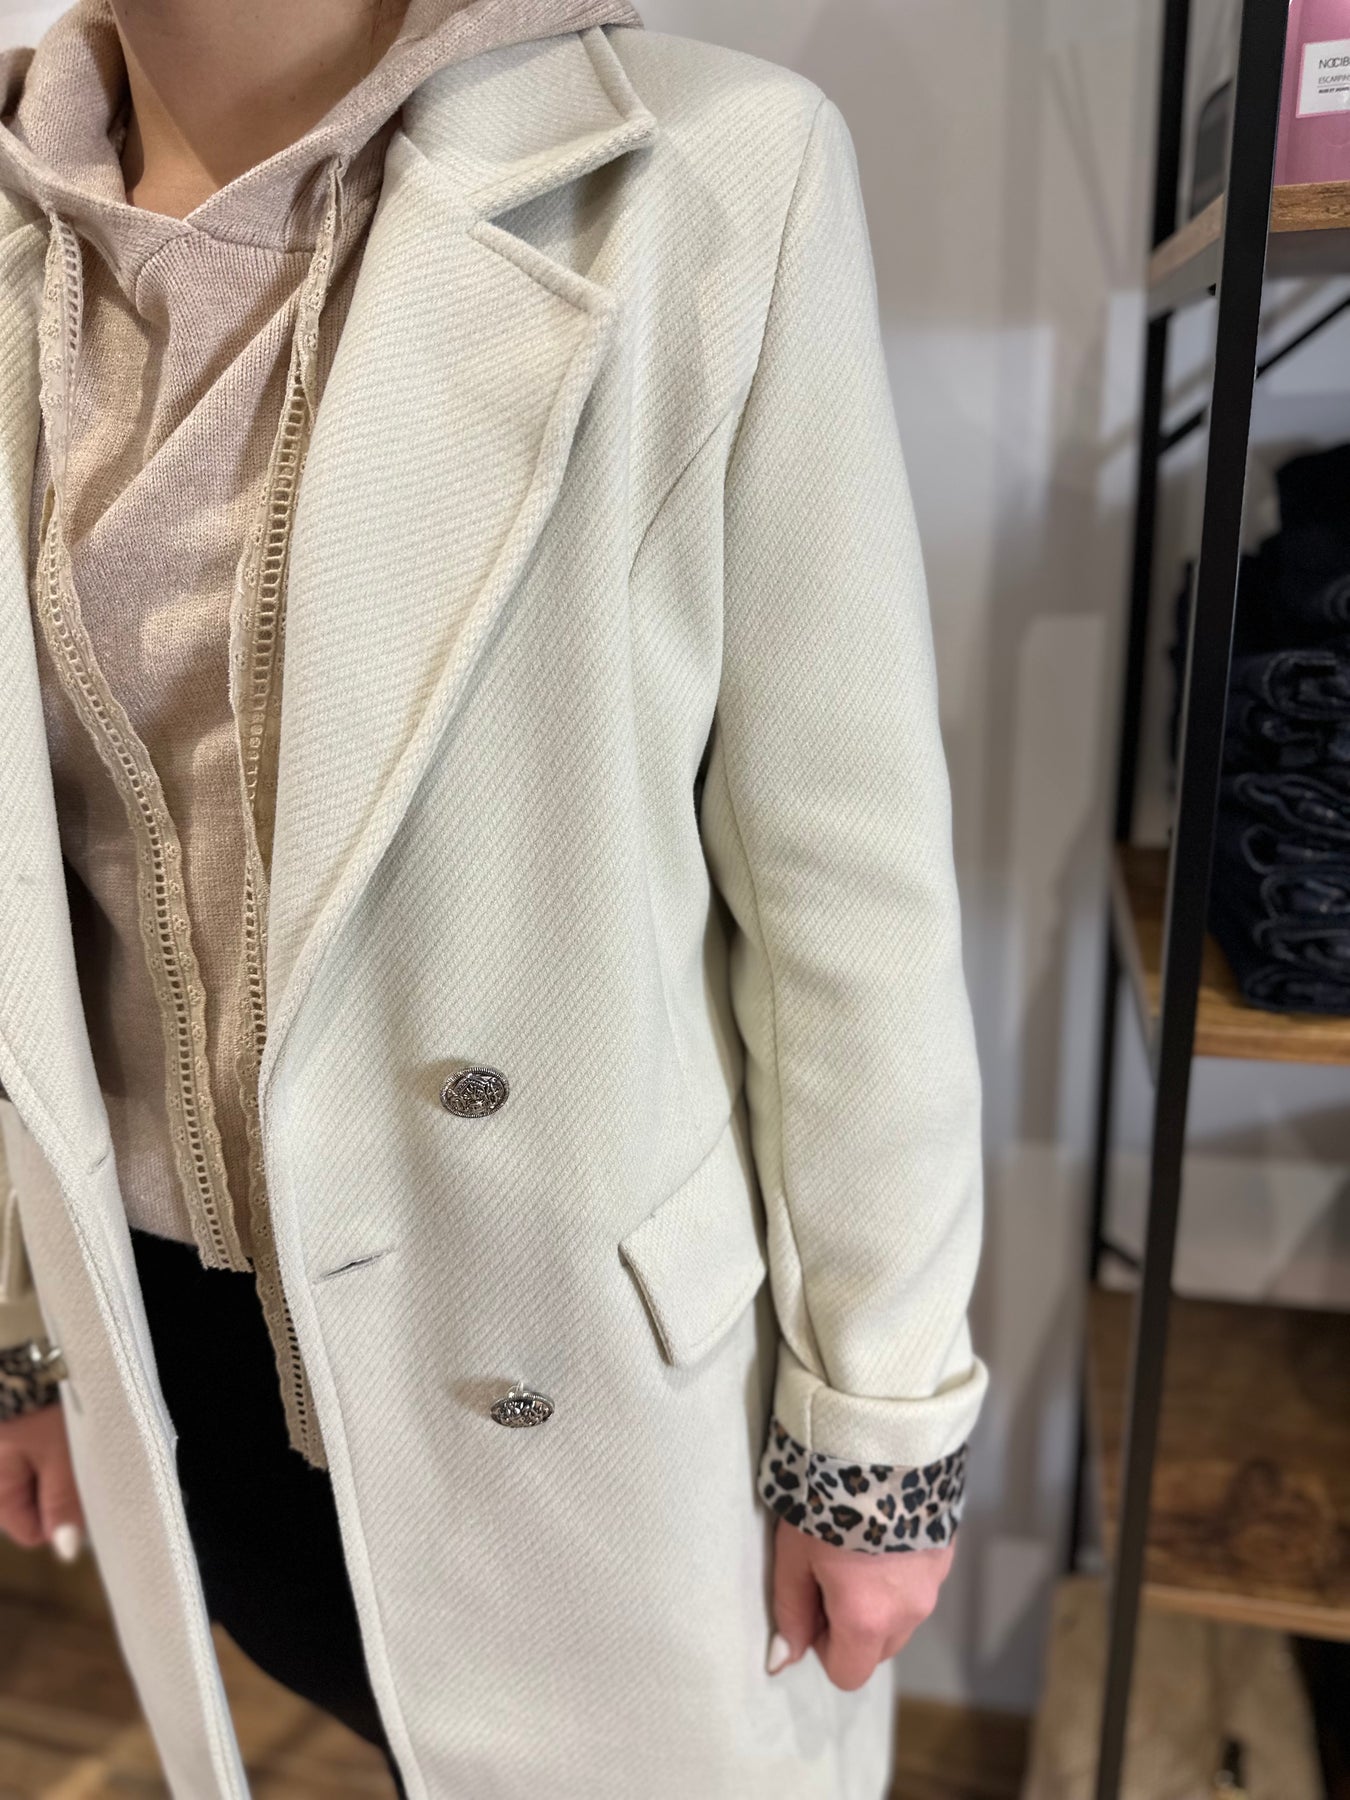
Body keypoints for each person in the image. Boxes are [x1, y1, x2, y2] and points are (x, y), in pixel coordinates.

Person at [0, 0, 989, 1795]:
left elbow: (845, 882)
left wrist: (877, 1426)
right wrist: (29, 1329)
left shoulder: (710, 169)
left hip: (572, 1378)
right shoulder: (21, 239)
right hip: (173, 1345)